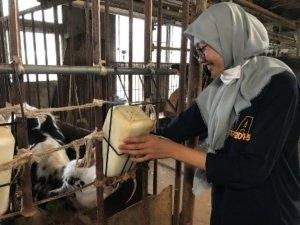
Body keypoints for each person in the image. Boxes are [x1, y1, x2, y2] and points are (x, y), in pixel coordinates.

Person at [119, 2, 300, 225]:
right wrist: (134, 137)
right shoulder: (220, 88)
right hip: (228, 207)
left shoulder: (278, 84)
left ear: (227, 37)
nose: (200, 58)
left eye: (203, 48)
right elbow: (180, 126)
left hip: (271, 210)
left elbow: (252, 169)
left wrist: (170, 150)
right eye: (197, 52)